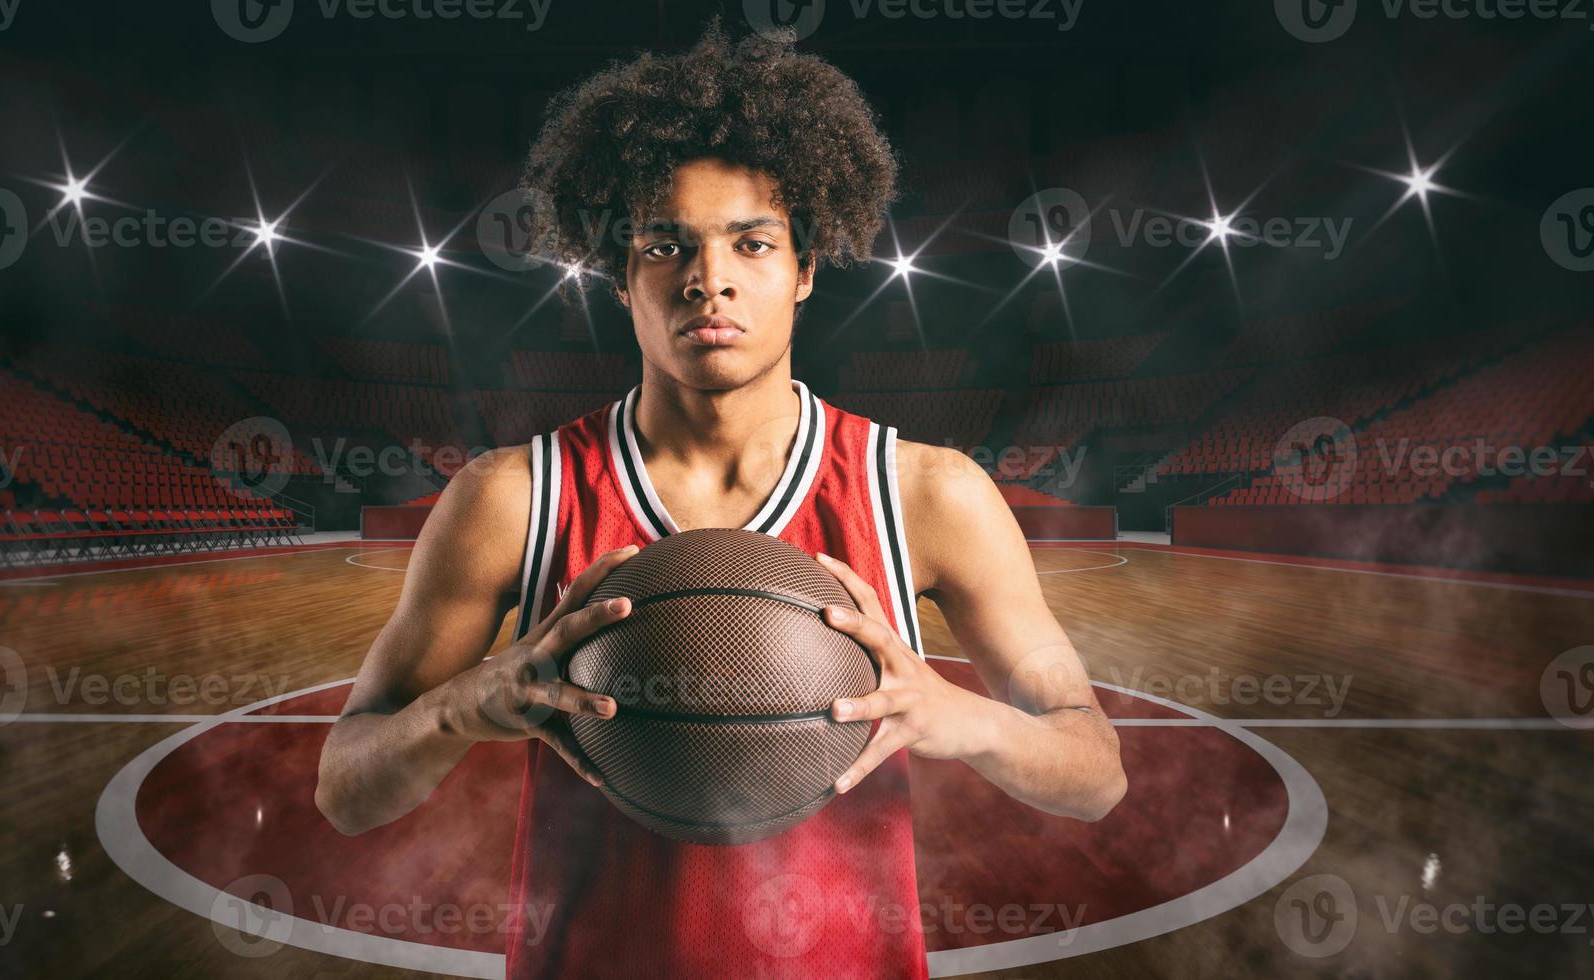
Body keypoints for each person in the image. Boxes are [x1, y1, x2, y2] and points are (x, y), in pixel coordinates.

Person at [315, 20, 1125, 978]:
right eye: (666, 246)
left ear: (805, 270)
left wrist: (956, 715)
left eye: (752, 242)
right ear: (621, 278)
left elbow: (1095, 774)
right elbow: (346, 790)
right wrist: (466, 705)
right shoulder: (512, 499)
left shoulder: (926, 493)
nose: (709, 280)